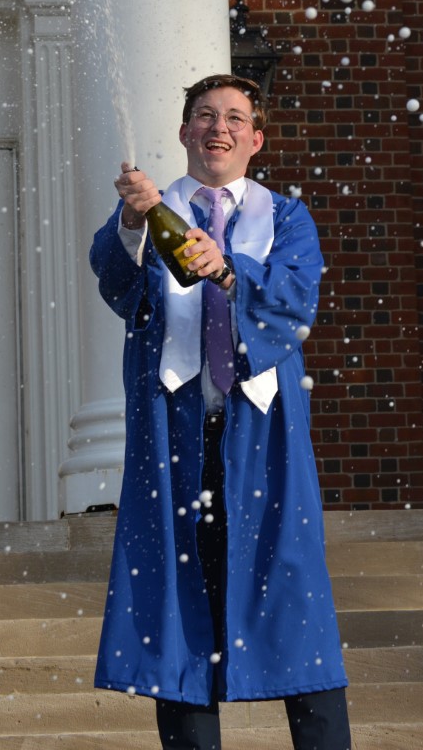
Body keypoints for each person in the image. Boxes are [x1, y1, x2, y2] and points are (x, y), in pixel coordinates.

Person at [90, 73, 351, 750]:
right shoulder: (156, 208)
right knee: (179, 602)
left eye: (235, 117)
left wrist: (230, 266)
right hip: (175, 431)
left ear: (255, 139)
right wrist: (132, 217)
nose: (218, 127)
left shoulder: (285, 218)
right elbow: (116, 283)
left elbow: (295, 300)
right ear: (183, 132)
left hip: (263, 431)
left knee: (292, 593)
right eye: (204, 115)